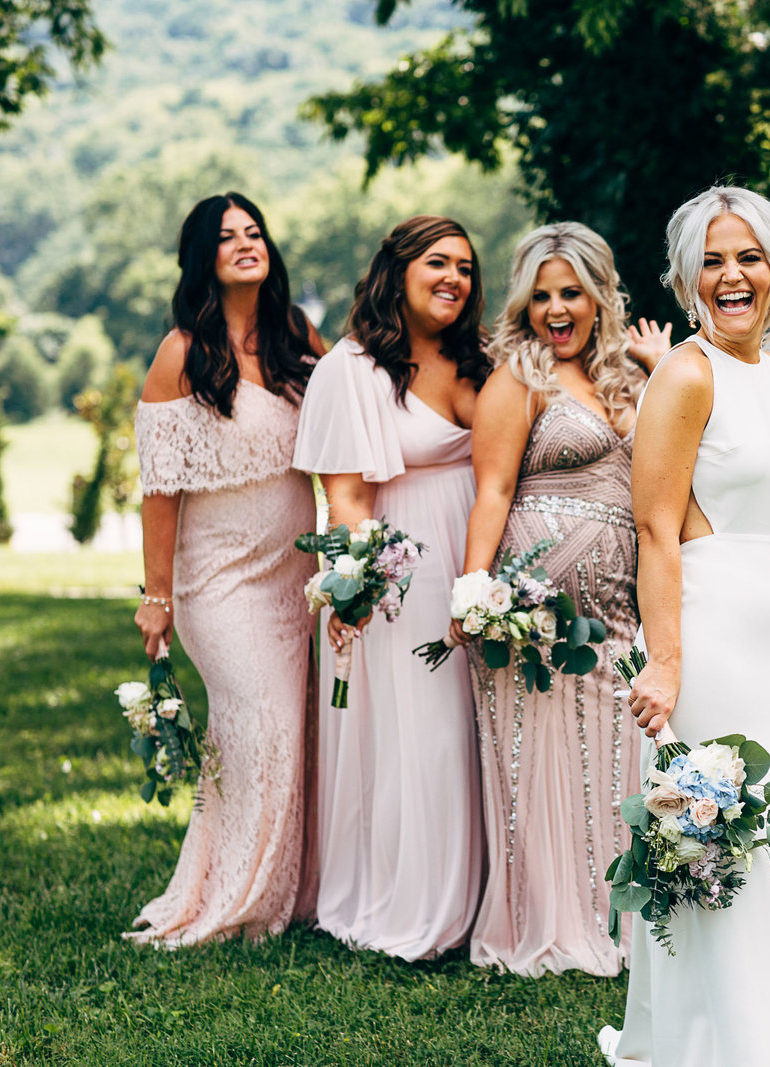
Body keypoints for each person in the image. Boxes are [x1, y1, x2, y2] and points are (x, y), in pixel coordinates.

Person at [598, 186, 770, 1066]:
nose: (732, 276)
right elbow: (656, 529)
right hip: (707, 633)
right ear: (688, 277)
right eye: (713, 259)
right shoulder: (685, 375)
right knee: (714, 845)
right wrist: (665, 661)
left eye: (748, 257)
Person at [451, 221, 667, 976]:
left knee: (614, 759)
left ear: (599, 295)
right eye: (541, 295)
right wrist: (474, 591)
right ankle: (543, 920)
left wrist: (659, 366)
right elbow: (494, 490)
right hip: (533, 608)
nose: (555, 308)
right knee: (538, 762)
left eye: (571, 291)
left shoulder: (630, 379)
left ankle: (620, 918)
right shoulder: (520, 377)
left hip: (617, 611)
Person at [128, 192, 324, 946]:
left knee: (292, 728)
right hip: (220, 581)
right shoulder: (181, 352)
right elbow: (160, 488)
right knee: (257, 724)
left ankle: (287, 888)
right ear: (203, 256)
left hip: (291, 578)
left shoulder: (294, 337)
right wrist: (158, 595)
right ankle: (237, 901)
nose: (246, 243)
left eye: (255, 232)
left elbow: (361, 392)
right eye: (227, 236)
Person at [292, 215, 488, 961]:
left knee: (474, 731)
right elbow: (343, 495)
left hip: (480, 561)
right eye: (438, 263)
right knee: (424, 737)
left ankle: (483, 898)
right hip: (402, 568)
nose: (454, 279)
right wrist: (356, 587)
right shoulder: (353, 365)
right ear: (397, 270)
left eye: (466, 268)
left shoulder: (479, 358)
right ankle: (417, 904)